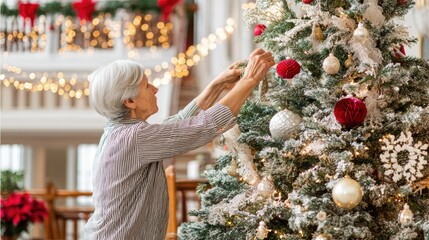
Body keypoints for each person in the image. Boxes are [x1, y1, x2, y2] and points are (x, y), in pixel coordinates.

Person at [83, 48, 275, 240]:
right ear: (130, 101)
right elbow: (205, 126)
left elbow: (176, 124)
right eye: (146, 85)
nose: (155, 88)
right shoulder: (133, 138)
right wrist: (250, 79)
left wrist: (217, 85)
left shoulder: (119, 132)